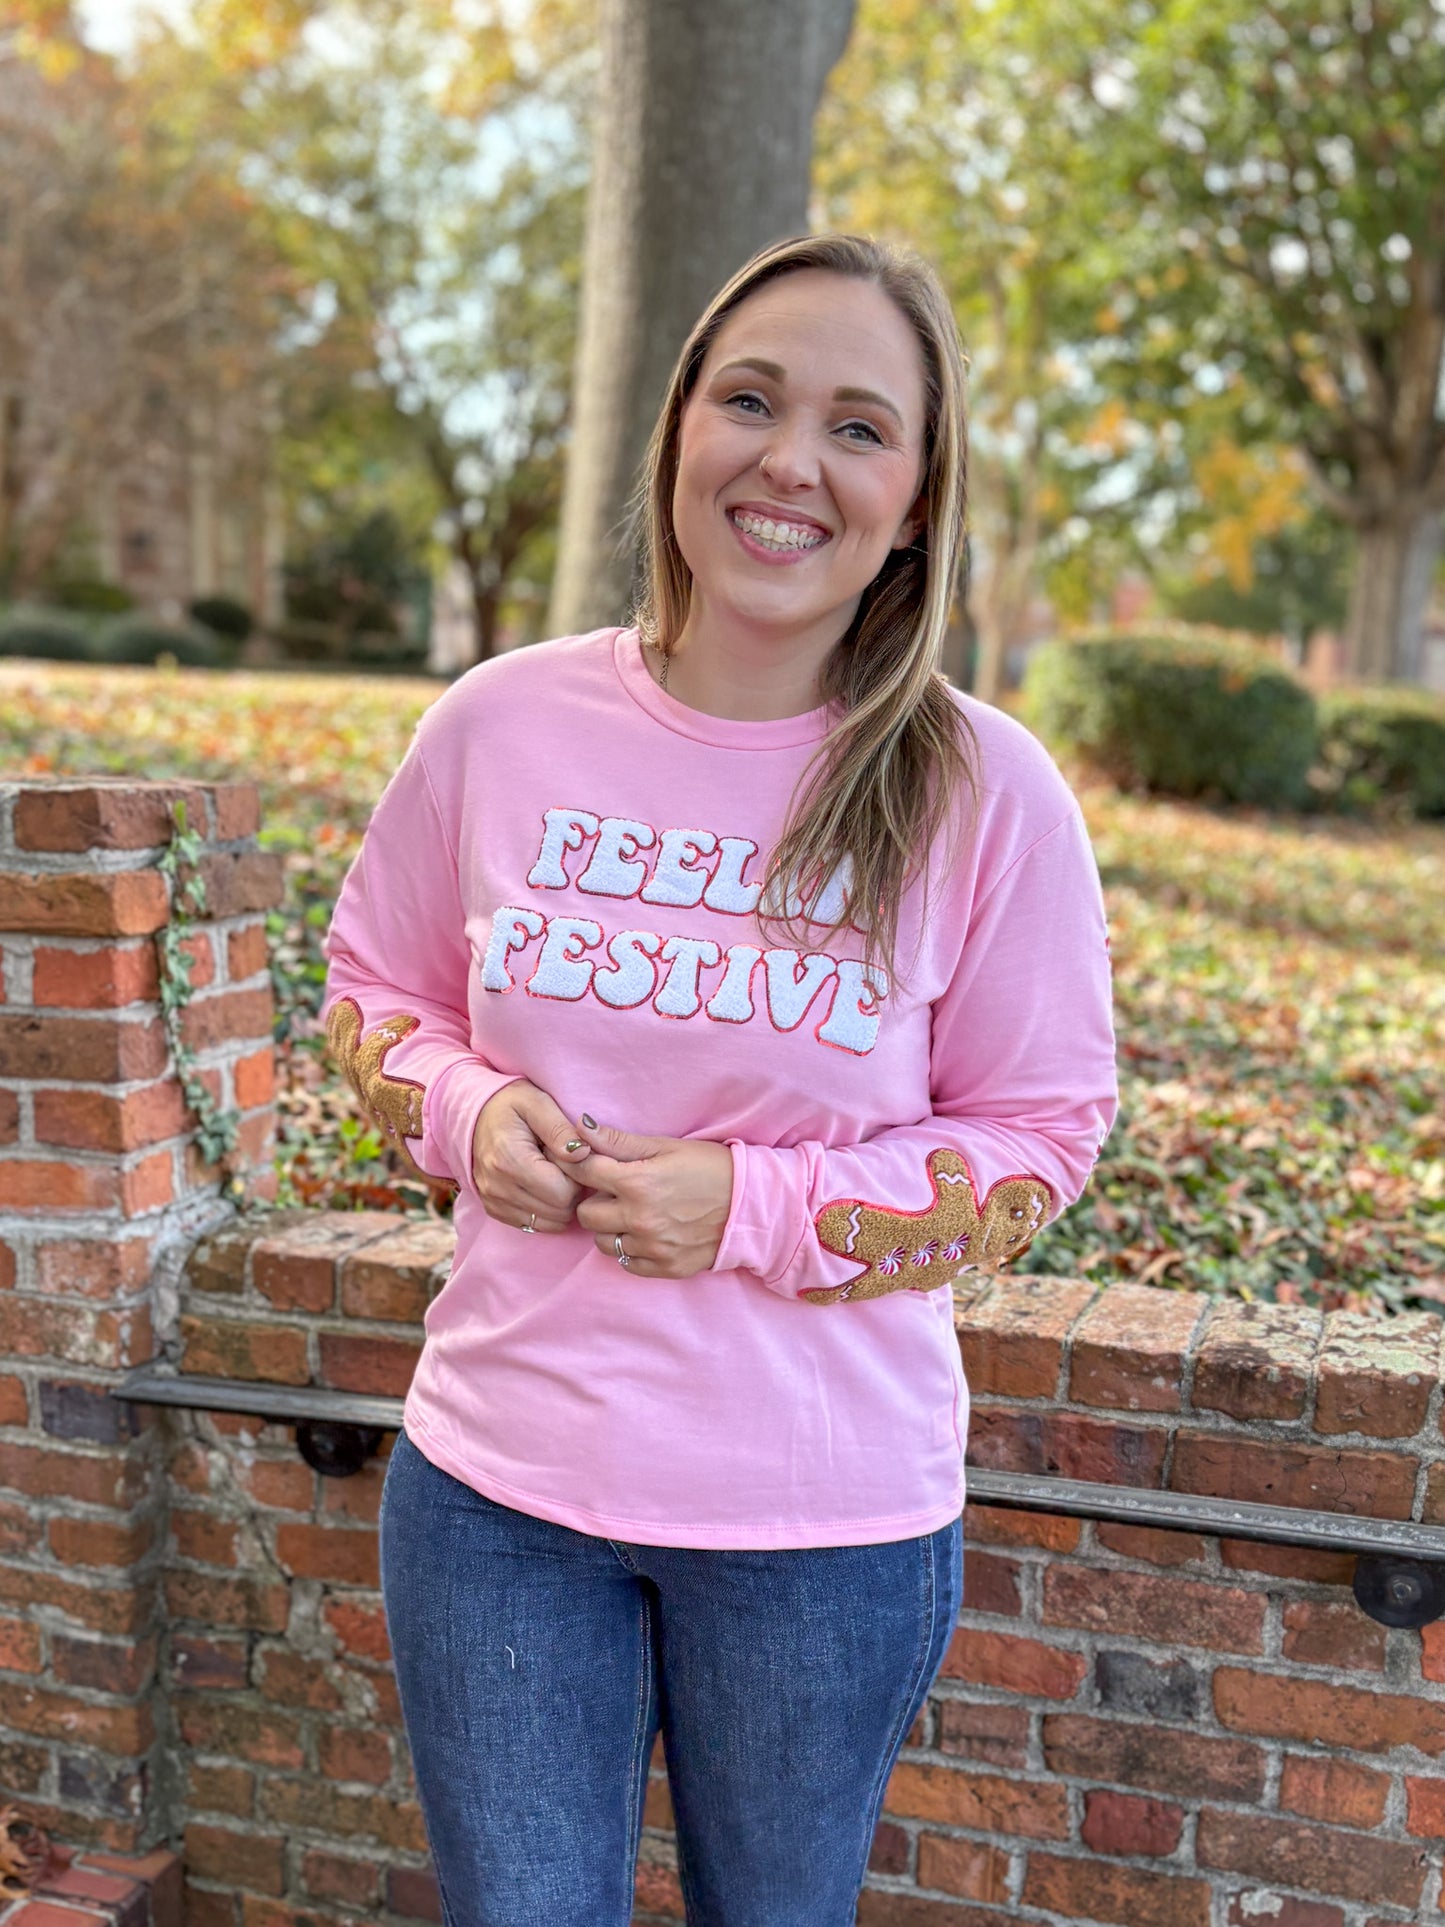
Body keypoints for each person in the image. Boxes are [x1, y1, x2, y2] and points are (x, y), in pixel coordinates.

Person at [322, 231, 1117, 1927]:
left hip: (820, 1526)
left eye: (857, 426)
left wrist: (747, 1207)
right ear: (678, 426)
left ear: (913, 499)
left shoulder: (983, 786)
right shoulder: (499, 723)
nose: (788, 461)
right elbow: (370, 992)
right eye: (748, 400)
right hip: (497, 1498)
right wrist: (466, 1115)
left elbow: (1042, 1139)